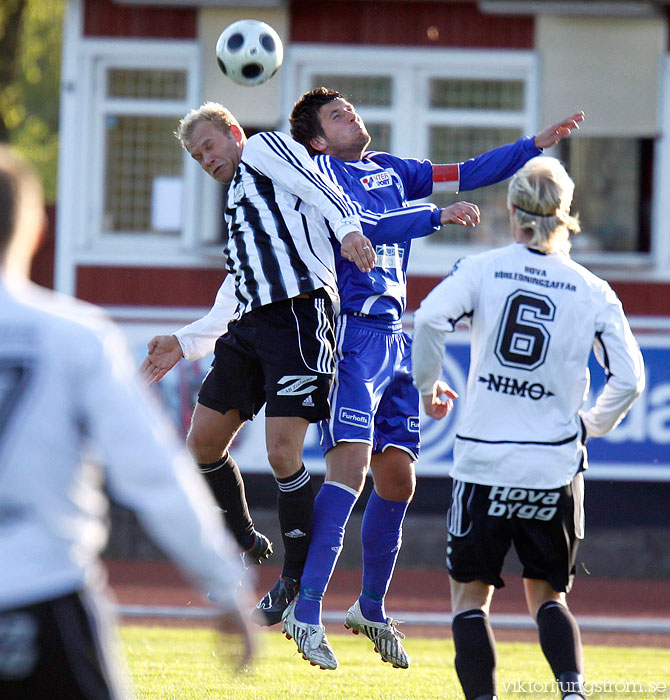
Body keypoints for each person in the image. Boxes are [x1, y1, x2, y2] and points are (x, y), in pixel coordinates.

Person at [278, 88, 585, 670]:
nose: (353, 116)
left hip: (396, 334)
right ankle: (308, 607)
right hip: (351, 334)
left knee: (398, 480)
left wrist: (534, 146)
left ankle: (369, 607)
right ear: (317, 140)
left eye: (352, 108)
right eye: (338, 115)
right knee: (350, 469)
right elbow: (371, 225)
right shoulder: (317, 179)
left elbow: (465, 173)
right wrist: (435, 215)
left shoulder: (390, 169)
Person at [0, 144, 254, 699]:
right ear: (33, 230)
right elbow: (153, 469)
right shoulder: (76, 336)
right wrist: (224, 582)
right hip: (46, 597)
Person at [411, 156, 645, 700]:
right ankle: (571, 692)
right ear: (566, 214)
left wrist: (428, 388)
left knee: (470, 599)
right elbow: (629, 379)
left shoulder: (482, 269)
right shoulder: (591, 289)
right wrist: (588, 426)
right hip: (552, 463)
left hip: (483, 461)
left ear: (513, 212)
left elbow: (427, 319)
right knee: (548, 596)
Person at [141, 102, 376, 626]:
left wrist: (348, 229)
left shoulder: (268, 149)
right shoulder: (236, 202)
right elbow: (237, 286)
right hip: (250, 324)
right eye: (197, 156)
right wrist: (185, 341)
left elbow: (323, 189)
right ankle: (246, 539)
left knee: (281, 451)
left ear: (234, 132)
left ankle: (293, 579)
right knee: (202, 442)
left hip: (299, 312)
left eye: (209, 146)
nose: (205, 159)